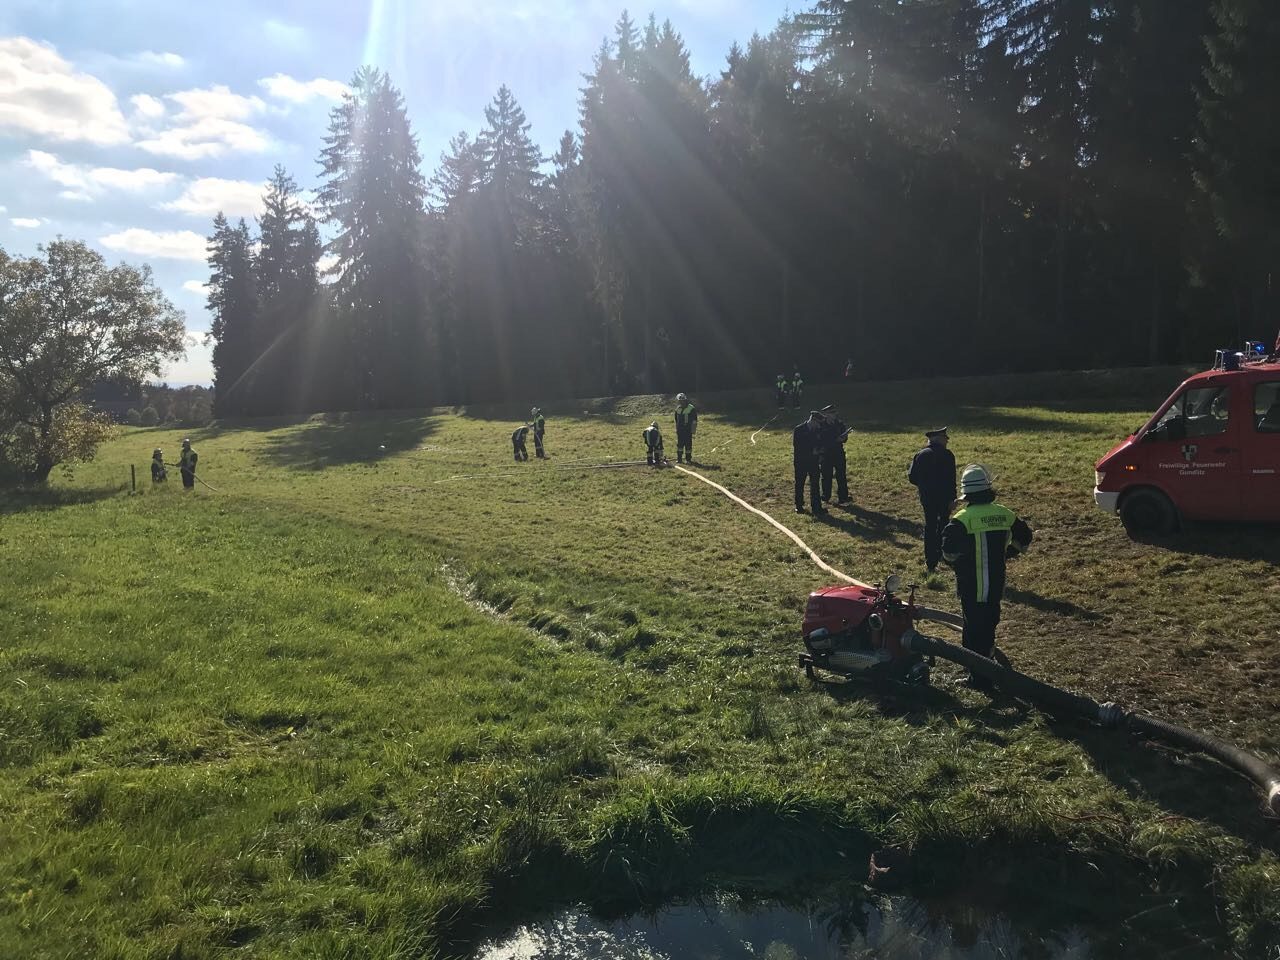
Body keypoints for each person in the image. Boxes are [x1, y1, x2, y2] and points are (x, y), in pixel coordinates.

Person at [941, 464, 1033, 691]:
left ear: (967, 494)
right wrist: (1007, 553)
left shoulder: (961, 519)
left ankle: (978, 677)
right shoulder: (1005, 514)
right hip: (995, 585)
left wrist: (958, 564)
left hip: (971, 585)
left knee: (972, 629)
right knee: (989, 625)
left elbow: (948, 552)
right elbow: (1025, 538)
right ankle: (987, 665)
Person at [908, 427, 957, 573]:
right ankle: (944, 554)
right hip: (944, 498)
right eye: (945, 437)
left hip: (927, 498)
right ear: (938, 439)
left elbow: (912, 477)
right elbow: (951, 479)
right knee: (944, 525)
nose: (947, 440)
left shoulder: (921, 454)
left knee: (930, 526)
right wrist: (952, 498)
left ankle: (931, 561)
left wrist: (924, 486)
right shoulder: (948, 455)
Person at [792, 411, 826, 515]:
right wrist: (811, 451)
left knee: (815, 484)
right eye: (818, 423)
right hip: (801, 461)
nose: (819, 425)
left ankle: (816, 507)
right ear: (812, 420)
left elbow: (821, 442)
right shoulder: (799, 430)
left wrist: (820, 451)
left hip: (814, 461)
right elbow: (797, 446)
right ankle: (799, 505)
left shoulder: (818, 430)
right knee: (800, 483)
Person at [818, 405, 851, 505]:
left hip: (838, 453)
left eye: (834, 413)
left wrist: (844, 437)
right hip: (826, 453)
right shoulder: (821, 425)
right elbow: (820, 440)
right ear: (826, 414)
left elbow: (844, 439)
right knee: (826, 476)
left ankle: (843, 497)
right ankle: (825, 496)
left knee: (841, 475)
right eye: (831, 413)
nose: (834, 415)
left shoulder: (839, 424)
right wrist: (834, 440)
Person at [674, 392, 698, 464]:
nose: (681, 402)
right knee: (680, 445)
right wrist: (677, 428)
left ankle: (688, 459)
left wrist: (693, 429)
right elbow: (676, 419)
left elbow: (694, 420)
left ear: (685, 400)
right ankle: (679, 459)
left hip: (687, 430)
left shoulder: (691, 408)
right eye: (680, 401)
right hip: (680, 430)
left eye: (682, 401)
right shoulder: (678, 409)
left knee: (688, 445)